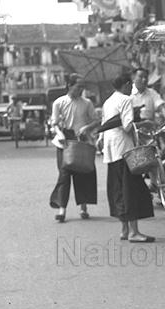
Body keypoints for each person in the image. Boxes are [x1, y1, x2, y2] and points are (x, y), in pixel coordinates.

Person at [102, 72, 155, 243]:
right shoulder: (125, 100)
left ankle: (124, 230)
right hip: (124, 149)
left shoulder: (107, 102)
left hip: (111, 151)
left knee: (118, 191)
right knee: (130, 190)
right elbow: (126, 127)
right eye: (130, 85)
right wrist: (142, 123)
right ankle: (134, 232)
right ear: (126, 85)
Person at [49, 74, 100, 222]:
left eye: (82, 87)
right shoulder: (59, 102)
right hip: (64, 142)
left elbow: (96, 120)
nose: (81, 90)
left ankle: (83, 207)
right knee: (64, 175)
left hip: (82, 141)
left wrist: (87, 128)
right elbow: (55, 123)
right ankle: (62, 209)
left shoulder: (87, 103)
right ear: (69, 86)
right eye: (78, 86)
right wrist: (60, 134)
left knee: (83, 173)